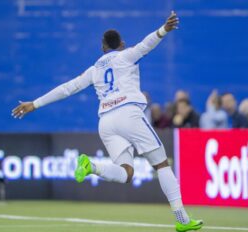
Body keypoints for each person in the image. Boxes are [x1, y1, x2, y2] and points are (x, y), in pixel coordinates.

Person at [11, 11, 203, 232]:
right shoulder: (127, 55)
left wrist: (34, 103)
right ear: (121, 44)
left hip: (106, 123)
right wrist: (164, 30)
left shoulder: (94, 71)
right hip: (128, 114)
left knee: (126, 174)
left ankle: (91, 166)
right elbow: (147, 44)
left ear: (103, 47)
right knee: (161, 164)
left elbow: (67, 89)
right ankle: (181, 218)